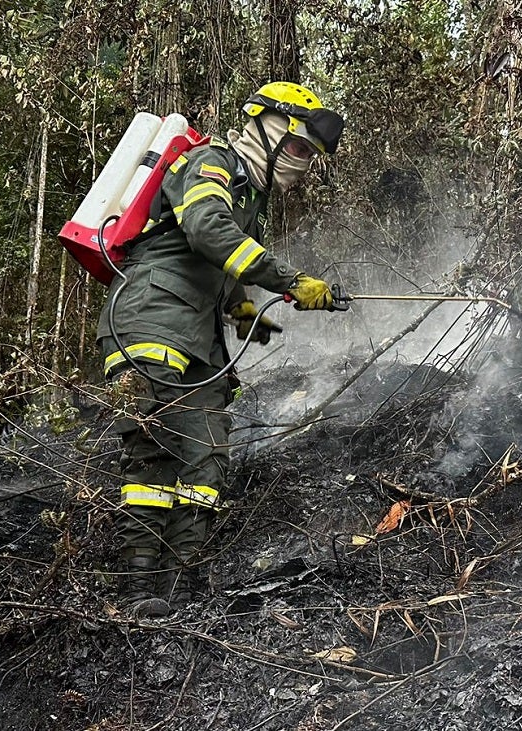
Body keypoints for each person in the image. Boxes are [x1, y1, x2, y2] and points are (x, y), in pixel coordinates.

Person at [97, 82, 348, 618]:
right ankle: (139, 590)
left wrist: (238, 308)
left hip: (196, 337)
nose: (301, 164)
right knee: (157, 459)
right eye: (299, 147)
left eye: (309, 155)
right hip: (152, 320)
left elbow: (217, 259)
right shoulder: (212, 162)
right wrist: (288, 280)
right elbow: (206, 230)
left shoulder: (249, 198)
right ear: (267, 128)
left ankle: (180, 591)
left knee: (206, 458)